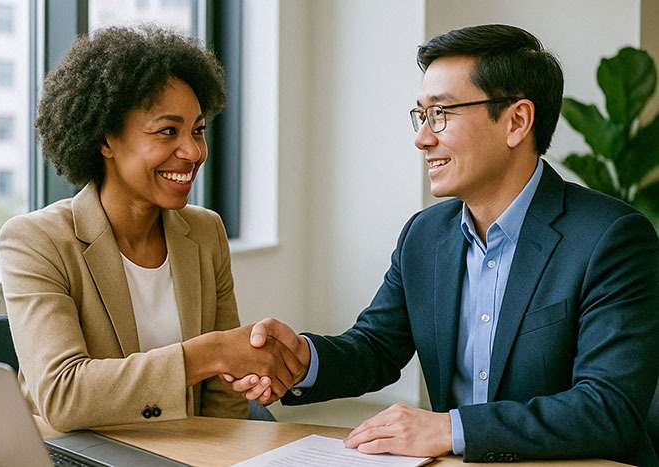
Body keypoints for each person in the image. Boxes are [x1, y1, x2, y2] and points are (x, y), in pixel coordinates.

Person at [225, 24, 659, 465]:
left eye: (442, 114)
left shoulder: (612, 238)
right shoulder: (425, 235)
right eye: (422, 115)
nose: (422, 138)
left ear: (517, 121)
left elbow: (608, 407)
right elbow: (375, 347)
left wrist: (450, 428)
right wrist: (303, 358)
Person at [0, 25, 303, 432]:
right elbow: (63, 394)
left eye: (197, 130)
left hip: (183, 452)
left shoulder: (205, 232)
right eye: (167, 131)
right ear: (106, 140)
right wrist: (210, 352)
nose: (193, 152)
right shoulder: (36, 241)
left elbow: (222, 400)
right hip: (82, 454)